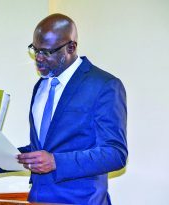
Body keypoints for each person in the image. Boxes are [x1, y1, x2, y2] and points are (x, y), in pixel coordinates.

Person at [14, 13, 128, 204]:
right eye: (35, 50)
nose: (38, 58)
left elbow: (115, 153)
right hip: (37, 199)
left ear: (71, 47)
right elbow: (44, 149)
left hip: (81, 200)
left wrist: (56, 162)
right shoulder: (41, 86)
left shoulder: (104, 85)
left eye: (47, 52)